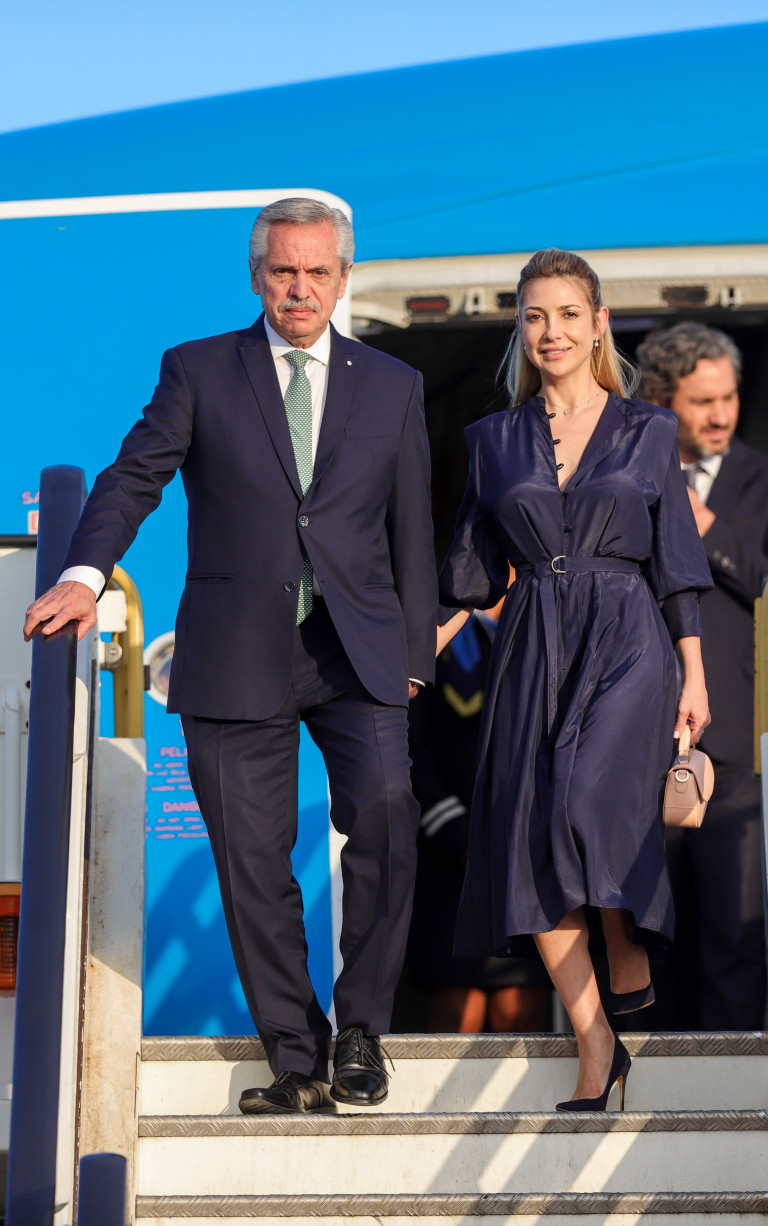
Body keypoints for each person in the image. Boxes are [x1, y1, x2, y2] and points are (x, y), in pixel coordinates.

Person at [23, 198, 438, 1114]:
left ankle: (361, 1031)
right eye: (284, 271)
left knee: (385, 815)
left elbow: (411, 526)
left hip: (356, 652)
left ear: (344, 277)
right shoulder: (199, 368)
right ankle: (298, 1057)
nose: (301, 289)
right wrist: (86, 574)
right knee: (253, 862)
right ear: (257, 276)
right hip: (235, 652)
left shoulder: (393, 383)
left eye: (318, 272)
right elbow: (134, 476)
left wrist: (414, 654)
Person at [436, 248, 711, 1111]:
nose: (550, 331)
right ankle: (598, 1043)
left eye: (566, 314)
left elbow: (678, 564)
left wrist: (695, 677)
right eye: (534, 316)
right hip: (531, 643)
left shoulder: (649, 430)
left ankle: (624, 933)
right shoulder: (492, 441)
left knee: (583, 801)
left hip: (627, 636)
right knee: (528, 841)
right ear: (521, 330)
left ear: (598, 325)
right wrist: (408, 659)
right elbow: (470, 574)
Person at [636, 322, 768, 1030]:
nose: (721, 414)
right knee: (648, 929)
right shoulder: (629, 473)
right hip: (640, 738)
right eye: (703, 401)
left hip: (736, 744)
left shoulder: (760, 480)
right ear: (662, 401)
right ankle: (649, 1079)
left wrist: (705, 524)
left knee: (734, 933)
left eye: (729, 397)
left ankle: (735, 1082)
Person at [407, 593, 552, 1033]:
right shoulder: (433, 638)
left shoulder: (545, 632)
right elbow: (412, 751)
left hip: (523, 851)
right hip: (451, 854)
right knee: (459, 1008)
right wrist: (459, 838)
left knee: (520, 1009)